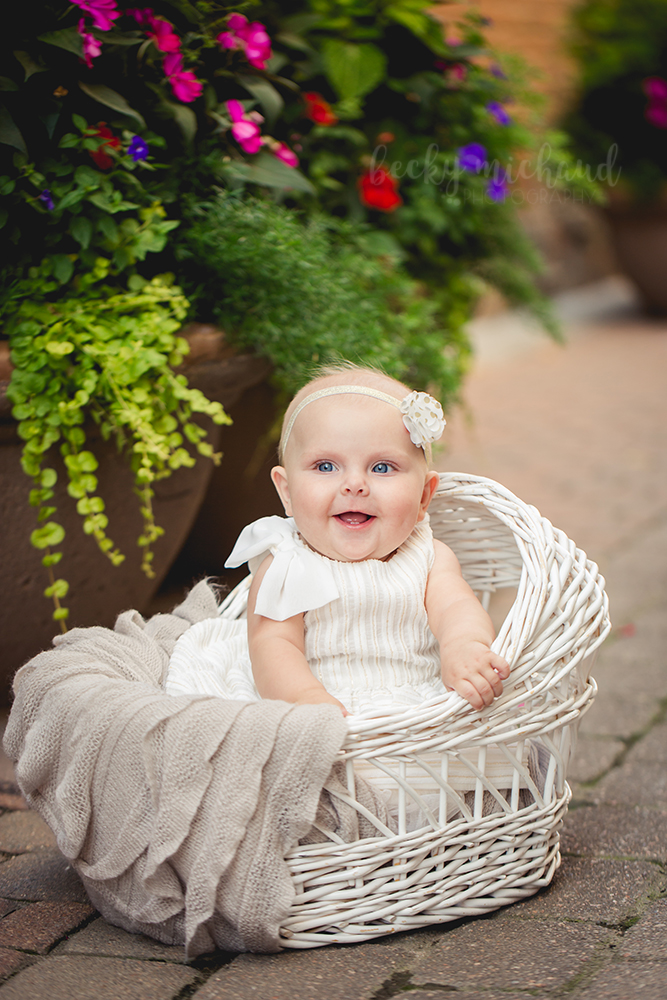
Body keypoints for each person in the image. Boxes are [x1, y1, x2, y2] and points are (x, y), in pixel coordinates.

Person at [165, 363, 509, 718]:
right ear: (287, 492)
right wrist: (305, 697)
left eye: (382, 467)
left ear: (424, 496)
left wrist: (464, 647)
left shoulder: (429, 557)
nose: (355, 484)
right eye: (326, 466)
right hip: (311, 698)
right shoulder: (285, 563)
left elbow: (456, 609)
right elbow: (272, 645)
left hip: (418, 705)